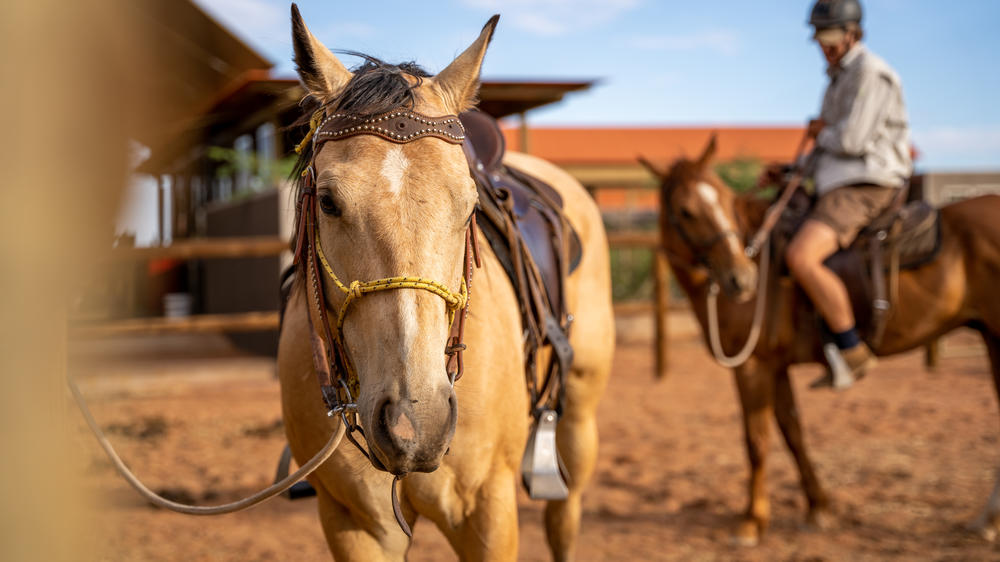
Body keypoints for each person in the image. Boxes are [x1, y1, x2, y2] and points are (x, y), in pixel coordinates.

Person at [760, 0, 912, 388]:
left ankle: (852, 350)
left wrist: (817, 131)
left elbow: (851, 139)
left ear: (852, 34)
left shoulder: (870, 73)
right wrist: (791, 171)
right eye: (820, 39)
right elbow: (830, 148)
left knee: (801, 256)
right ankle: (821, 345)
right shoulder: (836, 78)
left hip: (866, 184)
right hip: (835, 183)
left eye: (830, 38)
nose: (825, 46)